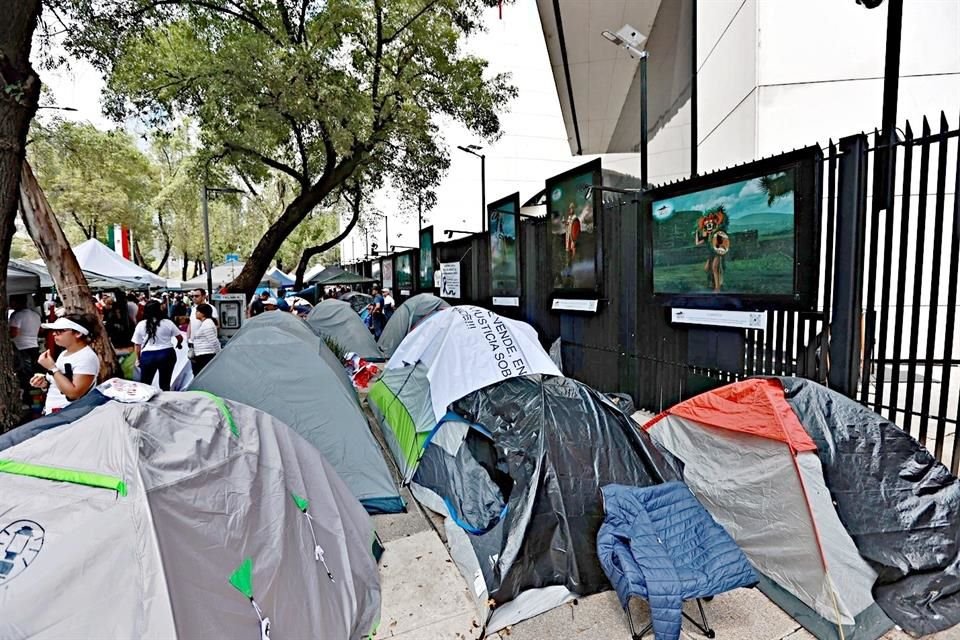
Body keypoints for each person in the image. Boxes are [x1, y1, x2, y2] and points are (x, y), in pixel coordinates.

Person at [30, 314, 101, 415]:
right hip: (56, 413)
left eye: (60, 331)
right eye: (53, 331)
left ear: (78, 333)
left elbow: (74, 394)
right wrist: (44, 383)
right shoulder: (64, 354)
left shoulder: (87, 357)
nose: (54, 334)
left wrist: (52, 368)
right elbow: (60, 383)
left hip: (70, 416)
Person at [133, 300, 183, 391]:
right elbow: (179, 337)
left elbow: (137, 344)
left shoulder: (141, 325)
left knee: (145, 384)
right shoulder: (168, 323)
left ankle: (145, 403)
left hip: (148, 356)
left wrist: (138, 359)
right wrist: (178, 344)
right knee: (165, 384)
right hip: (167, 354)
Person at [191, 303, 220, 374]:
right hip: (202, 355)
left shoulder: (207, 324)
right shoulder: (205, 323)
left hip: (206, 355)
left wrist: (219, 354)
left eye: (198, 311)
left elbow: (213, 341)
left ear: (203, 313)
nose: (196, 313)